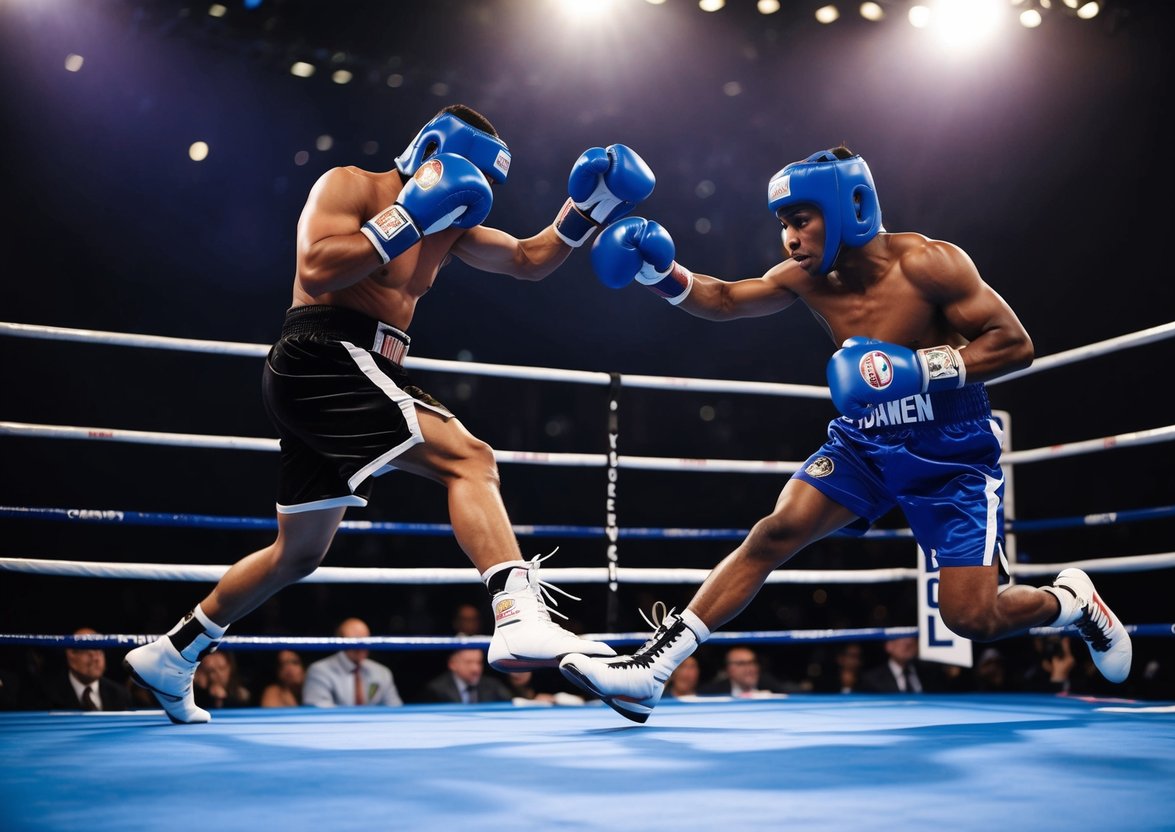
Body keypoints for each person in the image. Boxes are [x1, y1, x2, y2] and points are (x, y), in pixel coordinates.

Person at [123, 103, 658, 723]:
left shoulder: (449, 224)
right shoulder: (350, 184)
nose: (473, 195)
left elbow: (526, 259)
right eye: (466, 175)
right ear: (430, 151)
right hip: (322, 351)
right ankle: (517, 615)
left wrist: (587, 209)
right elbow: (316, 268)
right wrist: (407, 217)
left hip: (362, 368)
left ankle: (174, 652)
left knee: (298, 553)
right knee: (471, 460)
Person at [558, 146, 1132, 723]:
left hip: (950, 454)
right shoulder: (808, 278)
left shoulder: (931, 264)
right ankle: (652, 672)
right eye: (783, 224)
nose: (789, 239)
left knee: (971, 618)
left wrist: (918, 368)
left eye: (800, 221)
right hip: (864, 444)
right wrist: (660, 273)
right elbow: (728, 299)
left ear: (848, 208)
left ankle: (1073, 604)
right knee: (775, 531)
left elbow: (1015, 344)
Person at [302, 617, 402, 707]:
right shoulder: (319, 671)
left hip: (375, 726)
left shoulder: (382, 672)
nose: (361, 646)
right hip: (336, 727)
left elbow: (395, 709)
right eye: (355, 640)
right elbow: (320, 711)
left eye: (365, 640)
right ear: (340, 641)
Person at [33, 627, 131, 712]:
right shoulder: (47, 695)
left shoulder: (119, 694)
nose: (96, 658)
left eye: (100, 650)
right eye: (89, 650)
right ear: (71, 655)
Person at [422, 648, 512, 704]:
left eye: (479, 662)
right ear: (452, 664)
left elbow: (511, 705)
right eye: (468, 662)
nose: (475, 669)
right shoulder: (436, 690)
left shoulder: (494, 687)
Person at [698, 646, 787, 698]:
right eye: (741, 664)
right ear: (728, 669)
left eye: (752, 662)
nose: (749, 669)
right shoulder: (712, 693)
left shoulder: (772, 686)